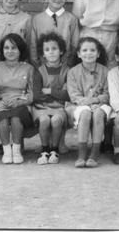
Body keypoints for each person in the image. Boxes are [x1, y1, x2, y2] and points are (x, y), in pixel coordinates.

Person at [0, 34, 35, 165]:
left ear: (20, 50)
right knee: (2, 119)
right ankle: (7, 151)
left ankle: (17, 150)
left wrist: (21, 102)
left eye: (14, 48)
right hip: (1, 102)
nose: (10, 51)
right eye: (6, 48)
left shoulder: (28, 68)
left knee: (15, 118)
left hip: (21, 103)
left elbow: (32, 93)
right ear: (2, 50)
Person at [66, 37, 110, 168]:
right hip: (79, 105)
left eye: (92, 50)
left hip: (100, 104)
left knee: (98, 114)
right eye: (84, 50)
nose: (88, 53)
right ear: (79, 54)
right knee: (85, 113)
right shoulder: (73, 72)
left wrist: (96, 101)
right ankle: (81, 154)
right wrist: (87, 104)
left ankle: (94, 153)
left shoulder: (105, 71)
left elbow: (108, 94)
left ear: (98, 53)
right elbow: (74, 95)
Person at [32, 33, 70, 165]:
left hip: (60, 107)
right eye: (47, 50)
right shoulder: (39, 71)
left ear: (61, 51)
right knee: (44, 120)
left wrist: (49, 91)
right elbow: (36, 95)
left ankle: (54, 150)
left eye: (54, 49)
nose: (51, 52)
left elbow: (67, 95)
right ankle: (44, 150)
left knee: (56, 120)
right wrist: (57, 94)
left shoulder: (67, 70)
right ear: (43, 54)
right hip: (41, 107)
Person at [30, 0, 79, 67]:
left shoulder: (71, 19)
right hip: (43, 67)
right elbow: (33, 46)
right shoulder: (37, 19)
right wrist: (38, 65)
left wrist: (68, 65)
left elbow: (75, 45)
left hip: (65, 67)